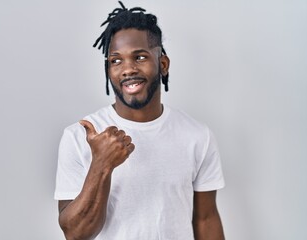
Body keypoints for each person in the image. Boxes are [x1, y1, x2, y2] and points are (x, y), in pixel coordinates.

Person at [54, 2, 225, 239]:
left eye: (140, 57)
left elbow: (206, 219)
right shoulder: (79, 136)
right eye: (116, 60)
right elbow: (75, 233)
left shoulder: (197, 136)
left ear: (163, 64)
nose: (127, 69)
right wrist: (101, 164)